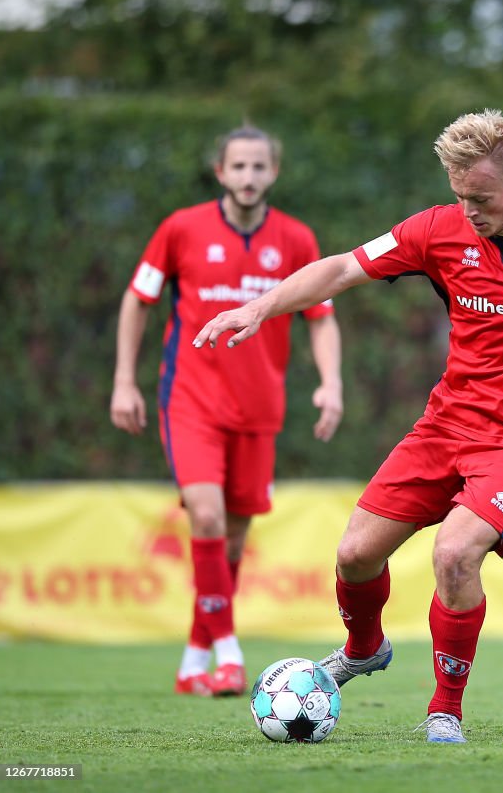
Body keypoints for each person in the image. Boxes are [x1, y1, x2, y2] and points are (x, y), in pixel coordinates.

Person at [192, 109, 503, 742]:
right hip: (446, 424)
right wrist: (260, 307)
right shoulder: (437, 230)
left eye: (483, 198)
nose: (470, 211)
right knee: (354, 554)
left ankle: (445, 708)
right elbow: (343, 269)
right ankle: (363, 649)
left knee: (455, 555)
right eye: (460, 196)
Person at [110, 125, 344, 697]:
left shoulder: (295, 239)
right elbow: (137, 300)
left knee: (233, 542)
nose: (248, 177)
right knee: (207, 518)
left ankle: (194, 658)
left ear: (274, 173)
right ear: (220, 172)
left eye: (258, 167)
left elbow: (323, 317)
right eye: (237, 167)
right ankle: (229, 654)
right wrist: (124, 381)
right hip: (189, 401)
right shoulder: (180, 229)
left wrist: (330, 383)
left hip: (259, 409)